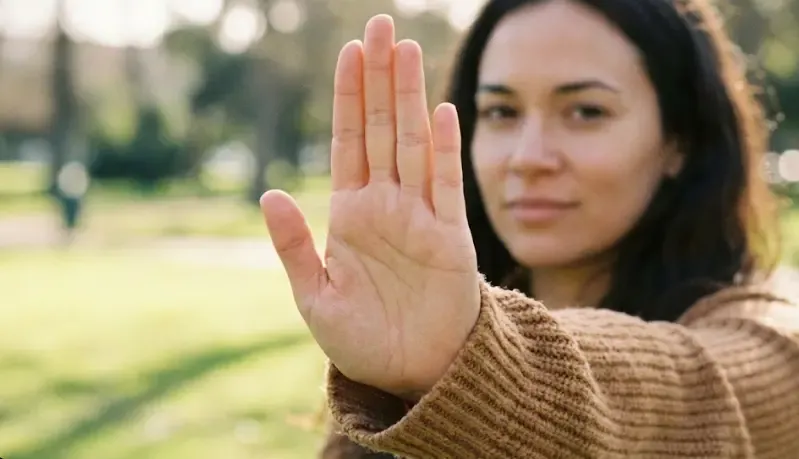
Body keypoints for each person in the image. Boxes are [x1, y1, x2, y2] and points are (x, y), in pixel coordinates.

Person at [261, 0, 799, 456]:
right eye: (500, 111)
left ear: (678, 141)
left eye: (586, 111)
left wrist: (473, 358)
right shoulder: (405, 353)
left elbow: (701, 395)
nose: (527, 156)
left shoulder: (769, 338)